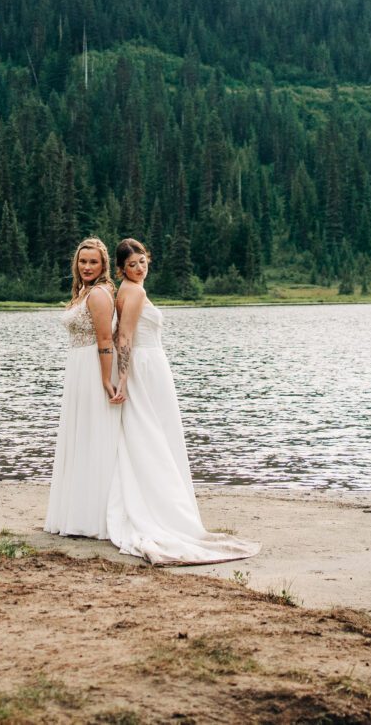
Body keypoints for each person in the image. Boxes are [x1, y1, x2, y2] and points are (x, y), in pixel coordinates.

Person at [105, 237, 259, 565]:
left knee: (149, 434)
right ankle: (165, 510)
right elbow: (126, 338)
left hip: (146, 365)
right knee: (157, 434)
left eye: (143, 261)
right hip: (147, 367)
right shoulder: (136, 292)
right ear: (121, 270)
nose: (139, 267)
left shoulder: (124, 292)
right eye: (132, 264)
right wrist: (124, 378)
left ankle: (156, 499)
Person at [44, 236, 125, 538]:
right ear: (76, 264)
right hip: (78, 368)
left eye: (93, 262)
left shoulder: (99, 295)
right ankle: (75, 512)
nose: (87, 266)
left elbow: (105, 340)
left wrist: (106, 378)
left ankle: (94, 517)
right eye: (83, 261)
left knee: (94, 435)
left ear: (104, 265)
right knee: (80, 436)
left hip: (93, 368)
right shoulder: (83, 292)